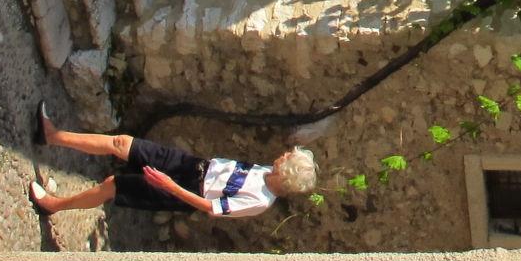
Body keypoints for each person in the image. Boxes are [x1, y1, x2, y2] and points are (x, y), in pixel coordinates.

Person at [28, 104, 316, 219]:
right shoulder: (266, 170)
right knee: (122, 144)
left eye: (288, 157)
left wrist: (169, 186)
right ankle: (53, 136)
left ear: (286, 173)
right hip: (191, 165)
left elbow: (210, 207)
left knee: (113, 185)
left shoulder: (260, 200)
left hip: (187, 189)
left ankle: (54, 205)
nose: (283, 154)